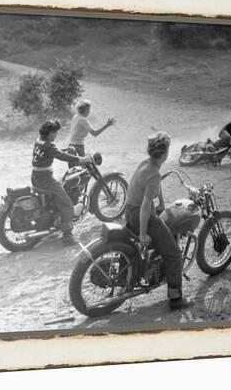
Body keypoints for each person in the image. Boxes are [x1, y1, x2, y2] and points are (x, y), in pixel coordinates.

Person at [125, 131, 192, 310]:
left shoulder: (146, 164)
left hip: (129, 210)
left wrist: (162, 202)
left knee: (164, 236)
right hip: (140, 214)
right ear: (164, 153)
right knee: (174, 254)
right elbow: (147, 204)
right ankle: (176, 298)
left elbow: (155, 185)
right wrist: (142, 233)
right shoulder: (153, 174)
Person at [32, 120, 89, 246]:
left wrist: (66, 150)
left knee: (60, 190)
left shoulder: (39, 141)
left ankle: (54, 220)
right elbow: (61, 156)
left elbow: (55, 153)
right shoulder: (48, 145)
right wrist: (80, 159)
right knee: (67, 203)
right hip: (45, 180)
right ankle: (67, 236)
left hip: (35, 177)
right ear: (50, 133)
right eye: (55, 133)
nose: (56, 135)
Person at [67, 99, 115, 167]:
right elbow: (95, 133)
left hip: (71, 146)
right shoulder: (83, 119)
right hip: (78, 147)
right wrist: (107, 125)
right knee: (85, 169)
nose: (89, 112)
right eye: (88, 110)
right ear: (85, 110)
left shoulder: (75, 117)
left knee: (74, 170)